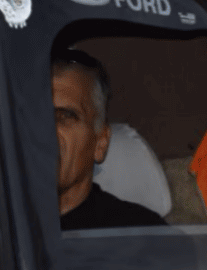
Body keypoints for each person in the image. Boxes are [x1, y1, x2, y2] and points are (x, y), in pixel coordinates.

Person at [51, 48, 167, 230]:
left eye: (65, 117)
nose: (45, 131)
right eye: (35, 116)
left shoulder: (143, 238)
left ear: (100, 143)